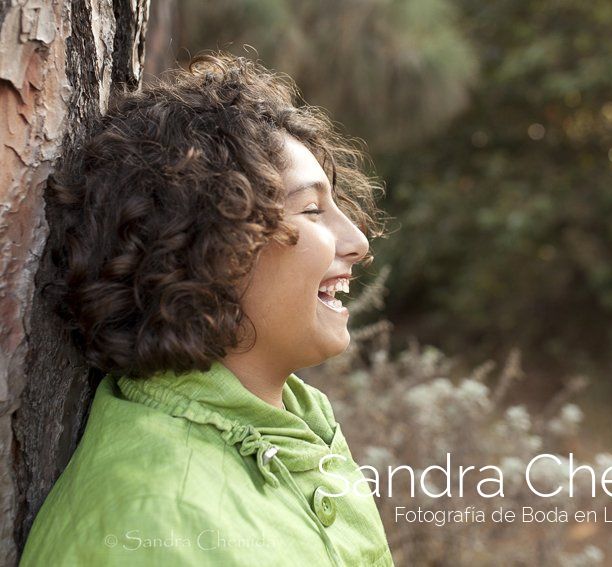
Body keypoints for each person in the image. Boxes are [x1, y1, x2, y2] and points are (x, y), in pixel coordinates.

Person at [20, 52, 394, 566]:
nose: (357, 242)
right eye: (311, 210)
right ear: (203, 242)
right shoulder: (153, 523)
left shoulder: (294, 428)